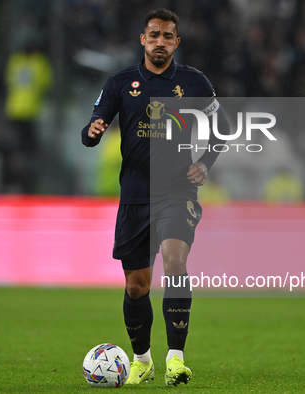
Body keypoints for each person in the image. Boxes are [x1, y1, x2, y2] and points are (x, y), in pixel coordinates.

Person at [81, 9, 228, 386]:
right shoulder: (120, 83)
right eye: (153, 35)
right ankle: (142, 360)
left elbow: (222, 129)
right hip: (134, 196)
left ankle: (175, 359)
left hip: (178, 191)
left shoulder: (194, 83)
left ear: (177, 42)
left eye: (167, 36)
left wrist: (206, 163)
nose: (160, 41)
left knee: (175, 260)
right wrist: (94, 130)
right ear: (142, 40)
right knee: (137, 286)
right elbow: (93, 126)